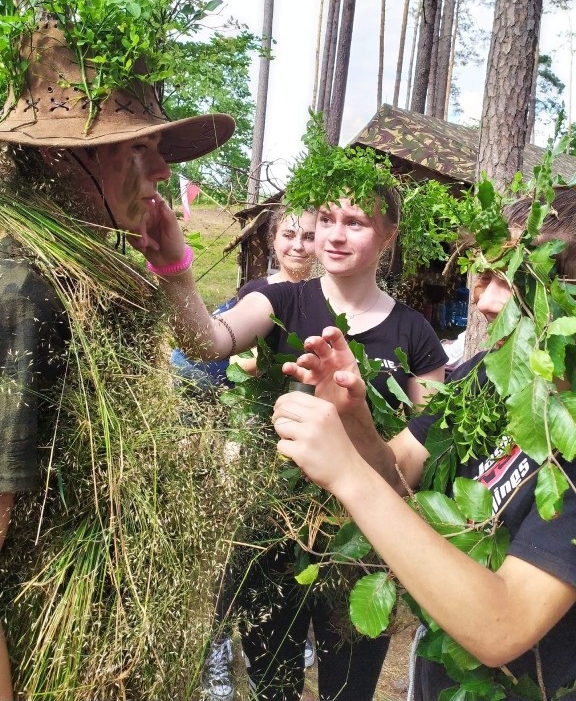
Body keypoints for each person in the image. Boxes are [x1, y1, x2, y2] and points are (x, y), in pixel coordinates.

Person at [270, 175, 576, 701]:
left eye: (512, 280)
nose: (485, 302)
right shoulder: (490, 376)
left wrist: (349, 475)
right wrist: (353, 418)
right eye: (483, 274)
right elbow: (398, 474)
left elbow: (502, 628)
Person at [0, 22, 234, 701]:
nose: (162, 172)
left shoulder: (86, 266)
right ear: (57, 160)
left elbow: (207, 345)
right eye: (138, 147)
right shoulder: (28, 280)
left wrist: (172, 270)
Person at [140, 186, 448, 700]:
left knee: (348, 690)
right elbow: (207, 341)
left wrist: (357, 420)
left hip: (362, 548)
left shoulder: (415, 335)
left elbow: (416, 471)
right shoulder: (281, 299)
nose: (334, 234)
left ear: (389, 235)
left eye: (356, 222)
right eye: (328, 218)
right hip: (273, 533)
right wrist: (176, 269)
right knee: (272, 687)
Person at [197, 204, 317, 701]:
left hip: (305, 450)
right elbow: (218, 358)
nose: (298, 245)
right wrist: (247, 366)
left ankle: (295, 635)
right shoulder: (258, 295)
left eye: (309, 236)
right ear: (272, 239)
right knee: (238, 550)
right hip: (253, 442)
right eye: (289, 234)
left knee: (300, 546)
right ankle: (217, 653)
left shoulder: (328, 300)